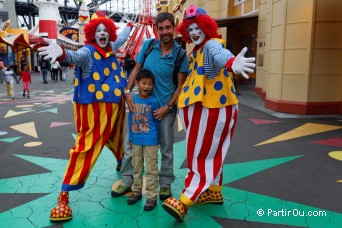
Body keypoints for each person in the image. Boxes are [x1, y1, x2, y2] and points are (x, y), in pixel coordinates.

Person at [161, 5, 256, 222]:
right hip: (206, 108)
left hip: (213, 109)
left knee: (202, 153)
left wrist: (233, 62)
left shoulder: (211, 45)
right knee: (210, 151)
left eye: (198, 28)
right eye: (190, 29)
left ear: (206, 28)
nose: (194, 33)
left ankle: (186, 200)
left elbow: (220, 54)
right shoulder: (198, 49)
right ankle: (213, 191)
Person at [38, 11, 133, 222]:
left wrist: (131, 26)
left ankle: (121, 163)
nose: (102, 34)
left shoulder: (111, 48)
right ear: (92, 34)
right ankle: (65, 194)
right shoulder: (89, 52)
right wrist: (62, 52)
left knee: (118, 138)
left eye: (105, 31)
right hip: (95, 108)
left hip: (116, 105)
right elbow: (75, 56)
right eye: (98, 31)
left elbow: (122, 39)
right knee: (86, 146)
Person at [111, 12, 189, 200]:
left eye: (168, 28)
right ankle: (128, 180)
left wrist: (168, 107)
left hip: (163, 110)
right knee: (131, 144)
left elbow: (180, 86)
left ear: (174, 28)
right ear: (156, 29)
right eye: (160, 28)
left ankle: (165, 183)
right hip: (139, 107)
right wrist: (128, 92)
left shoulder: (180, 55)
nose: (164, 32)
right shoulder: (148, 46)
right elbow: (136, 69)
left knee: (166, 147)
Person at [127, 69, 160, 211]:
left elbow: (156, 121)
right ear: (136, 83)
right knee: (137, 167)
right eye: (144, 83)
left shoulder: (154, 101)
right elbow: (130, 119)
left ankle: (152, 196)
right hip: (136, 139)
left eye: (150, 84)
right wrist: (131, 137)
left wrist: (157, 139)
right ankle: (136, 192)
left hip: (151, 140)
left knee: (151, 169)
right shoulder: (132, 99)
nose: (146, 87)